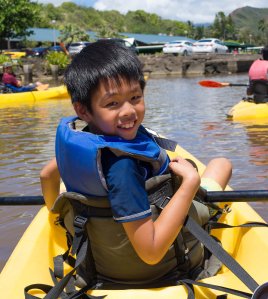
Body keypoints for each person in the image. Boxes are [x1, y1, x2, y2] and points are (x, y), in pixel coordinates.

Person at [40, 40, 232, 284]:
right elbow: (151, 253)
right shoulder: (123, 168)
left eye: (135, 97)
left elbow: (47, 174)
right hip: (159, 268)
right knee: (222, 164)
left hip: (99, 263)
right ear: (84, 110)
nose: (129, 111)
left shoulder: (86, 140)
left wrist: (56, 212)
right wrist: (189, 184)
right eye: (113, 103)